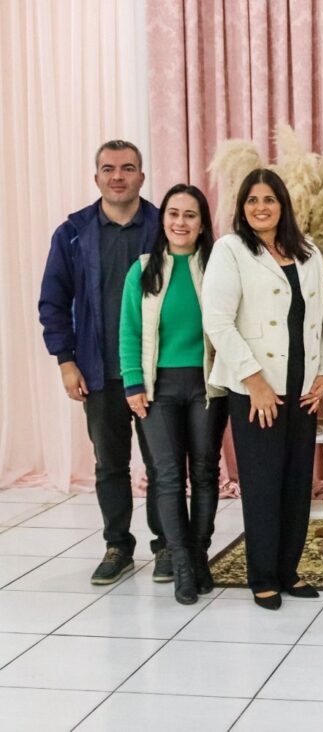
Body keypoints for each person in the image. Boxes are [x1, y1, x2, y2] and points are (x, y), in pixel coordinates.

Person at [38, 139, 169, 585]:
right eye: (109, 169)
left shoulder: (163, 227)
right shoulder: (73, 233)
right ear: (96, 177)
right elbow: (53, 302)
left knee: (162, 465)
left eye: (127, 168)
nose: (118, 176)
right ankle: (118, 547)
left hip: (155, 373)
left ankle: (167, 547)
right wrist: (65, 361)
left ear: (141, 177)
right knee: (110, 465)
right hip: (98, 372)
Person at [202, 169, 323, 610]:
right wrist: (253, 380)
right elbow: (217, 321)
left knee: (298, 483)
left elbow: (317, 322)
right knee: (263, 485)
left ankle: (287, 570)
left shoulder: (308, 252)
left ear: (283, 205)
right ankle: (262, 576)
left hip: (302, 386)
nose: (261, 207)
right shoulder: (231, 250)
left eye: (269, 199)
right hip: (257, 388)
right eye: (252, 200)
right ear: (242, 208)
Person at [119, 184, 226, 604]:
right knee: (166, 475)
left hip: (207, 385)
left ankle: (199, 557)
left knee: (205, 471)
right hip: (158, 388)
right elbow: (129, 330)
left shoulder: (216, 266)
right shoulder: (143, 269)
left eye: (190, 215)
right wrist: (133, 383)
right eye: (173, 213)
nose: (180, 222)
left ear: (202, 224)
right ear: (162, 219)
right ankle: (180, 563)